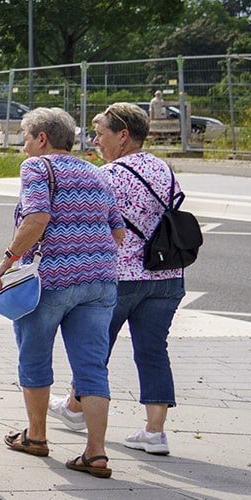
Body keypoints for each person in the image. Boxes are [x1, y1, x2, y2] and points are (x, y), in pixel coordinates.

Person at [0, 107, 121, 478]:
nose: (24, 145)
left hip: (52, 280)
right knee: (92, 366)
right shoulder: (97, 173)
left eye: (26, 137)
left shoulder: (37, 168)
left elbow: (36, 219)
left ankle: (37, 435)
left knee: (34, 354)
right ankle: (96, 453)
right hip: (100, 280)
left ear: (42, 138)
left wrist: (6, 264)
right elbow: (118, 233)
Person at [63, 103, 187, 455]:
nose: (96, 142)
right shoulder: (164, 168)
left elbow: (93, 225)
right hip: (167, 274)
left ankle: (75, 408)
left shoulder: (109, 176)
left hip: (121, 276)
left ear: (123, 135)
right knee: (152, 350)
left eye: (101, 134)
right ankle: (155, 432)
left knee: (95, 347)